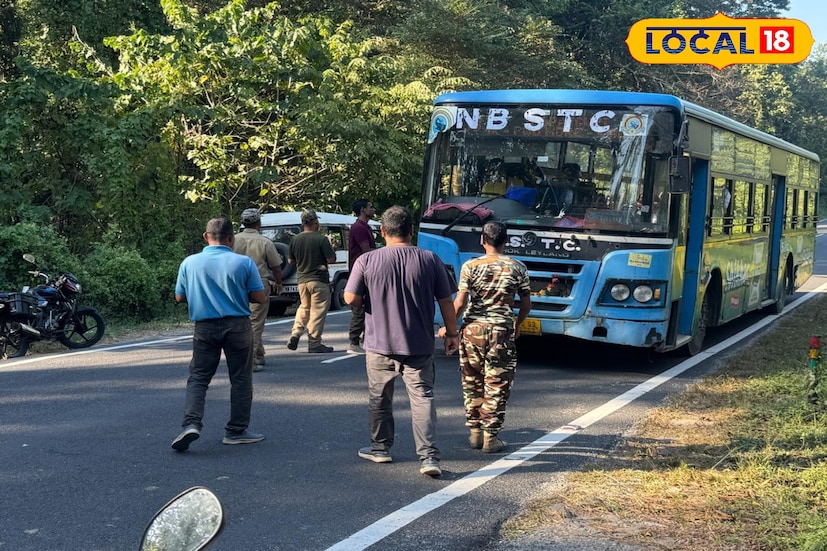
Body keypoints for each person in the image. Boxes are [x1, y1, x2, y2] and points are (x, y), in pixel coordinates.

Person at [344, 205, 459, 477]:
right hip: (418, 344)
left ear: (383, 231)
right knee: (422, 398)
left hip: (379, 344)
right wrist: (452, 334)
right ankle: (429, 457)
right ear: (412, 231)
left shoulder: (367, 261)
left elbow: (350, 298)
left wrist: (364, 300)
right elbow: (446, 302)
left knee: (379, 398)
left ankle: (380, 449)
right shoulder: (430, 259)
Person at [171, 217, 267, 452]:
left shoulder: (189, 263)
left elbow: (179, 297)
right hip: (237, 326)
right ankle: (236, 431)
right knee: (241, 378)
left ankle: (191, 423)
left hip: (204, 327)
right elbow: (259, 297)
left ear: (206, 237)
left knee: (199, 377)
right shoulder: (243, 263)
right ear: (231, 238)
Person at [443, 221, 531, 453]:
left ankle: (474, 433)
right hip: (501, 330)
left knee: (471, 380)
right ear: (506, 241)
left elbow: (460, 303)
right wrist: (517, 324)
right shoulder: (518, 267)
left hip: (473, 330)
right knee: (497, 383)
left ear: (482, 240)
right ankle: (491, 437)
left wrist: (448, 327)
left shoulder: (470, 266)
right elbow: (525, 304)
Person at [233, 208, 283, 371]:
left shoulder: (233, 239)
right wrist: (278, 282)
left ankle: (258, 353)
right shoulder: (265, 242)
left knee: (242, 318)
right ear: (258, 223)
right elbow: (276, 266)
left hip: (236, 282)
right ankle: (251, 359)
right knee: (256, 321)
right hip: (259, 282)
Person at [286, 208, 337, 353]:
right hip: (319, 280)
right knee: (317, 311)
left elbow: (290, 261)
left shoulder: (295, 239)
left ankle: (296, 332)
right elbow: (331, 259)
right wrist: (331, 247)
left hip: (302, 280)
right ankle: (314, 343)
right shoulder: (321, 239)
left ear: (302, 223)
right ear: (315, 222)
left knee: (304, 307)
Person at [346, 198, 377, 354]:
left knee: (368, 305)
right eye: (370, 207)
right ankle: (354, 341)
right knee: (359, 306)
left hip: (367, 271)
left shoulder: (365, 227)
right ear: (363, 210)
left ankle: (366, 339)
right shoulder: (359, 228)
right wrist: (384, 251)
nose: (373, 209)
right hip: (360, 272)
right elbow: (366, 250)